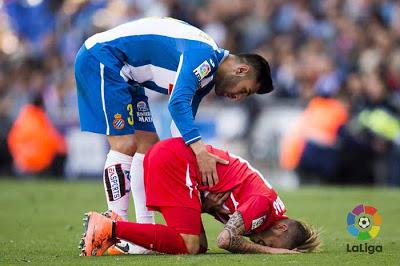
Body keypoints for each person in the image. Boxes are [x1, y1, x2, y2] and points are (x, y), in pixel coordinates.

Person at [74, 17, 274, 228]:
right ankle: (113, 228)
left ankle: (144, 230)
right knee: (125, 144)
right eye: (245, 90)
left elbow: (178, 130)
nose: (238, 97)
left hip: (127, 73)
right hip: (103, 58)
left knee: (149, 147)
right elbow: (177, 103)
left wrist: (197, 184)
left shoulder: (206, 75)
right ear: (241, 70)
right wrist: (200, 152)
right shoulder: (204, 55)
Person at [79, 138, 320, 256]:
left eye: (267, 247)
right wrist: (275, 253)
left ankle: (112, 230)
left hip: (177, 165)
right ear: (280, 228)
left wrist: (202, 207)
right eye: (271, 243)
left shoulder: (266, 209)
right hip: (177, 162)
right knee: (189, 244)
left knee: (197, 248)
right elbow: (225, 240)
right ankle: (109, 228)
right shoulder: (264, 206)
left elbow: (215, 239)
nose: (262, 244)